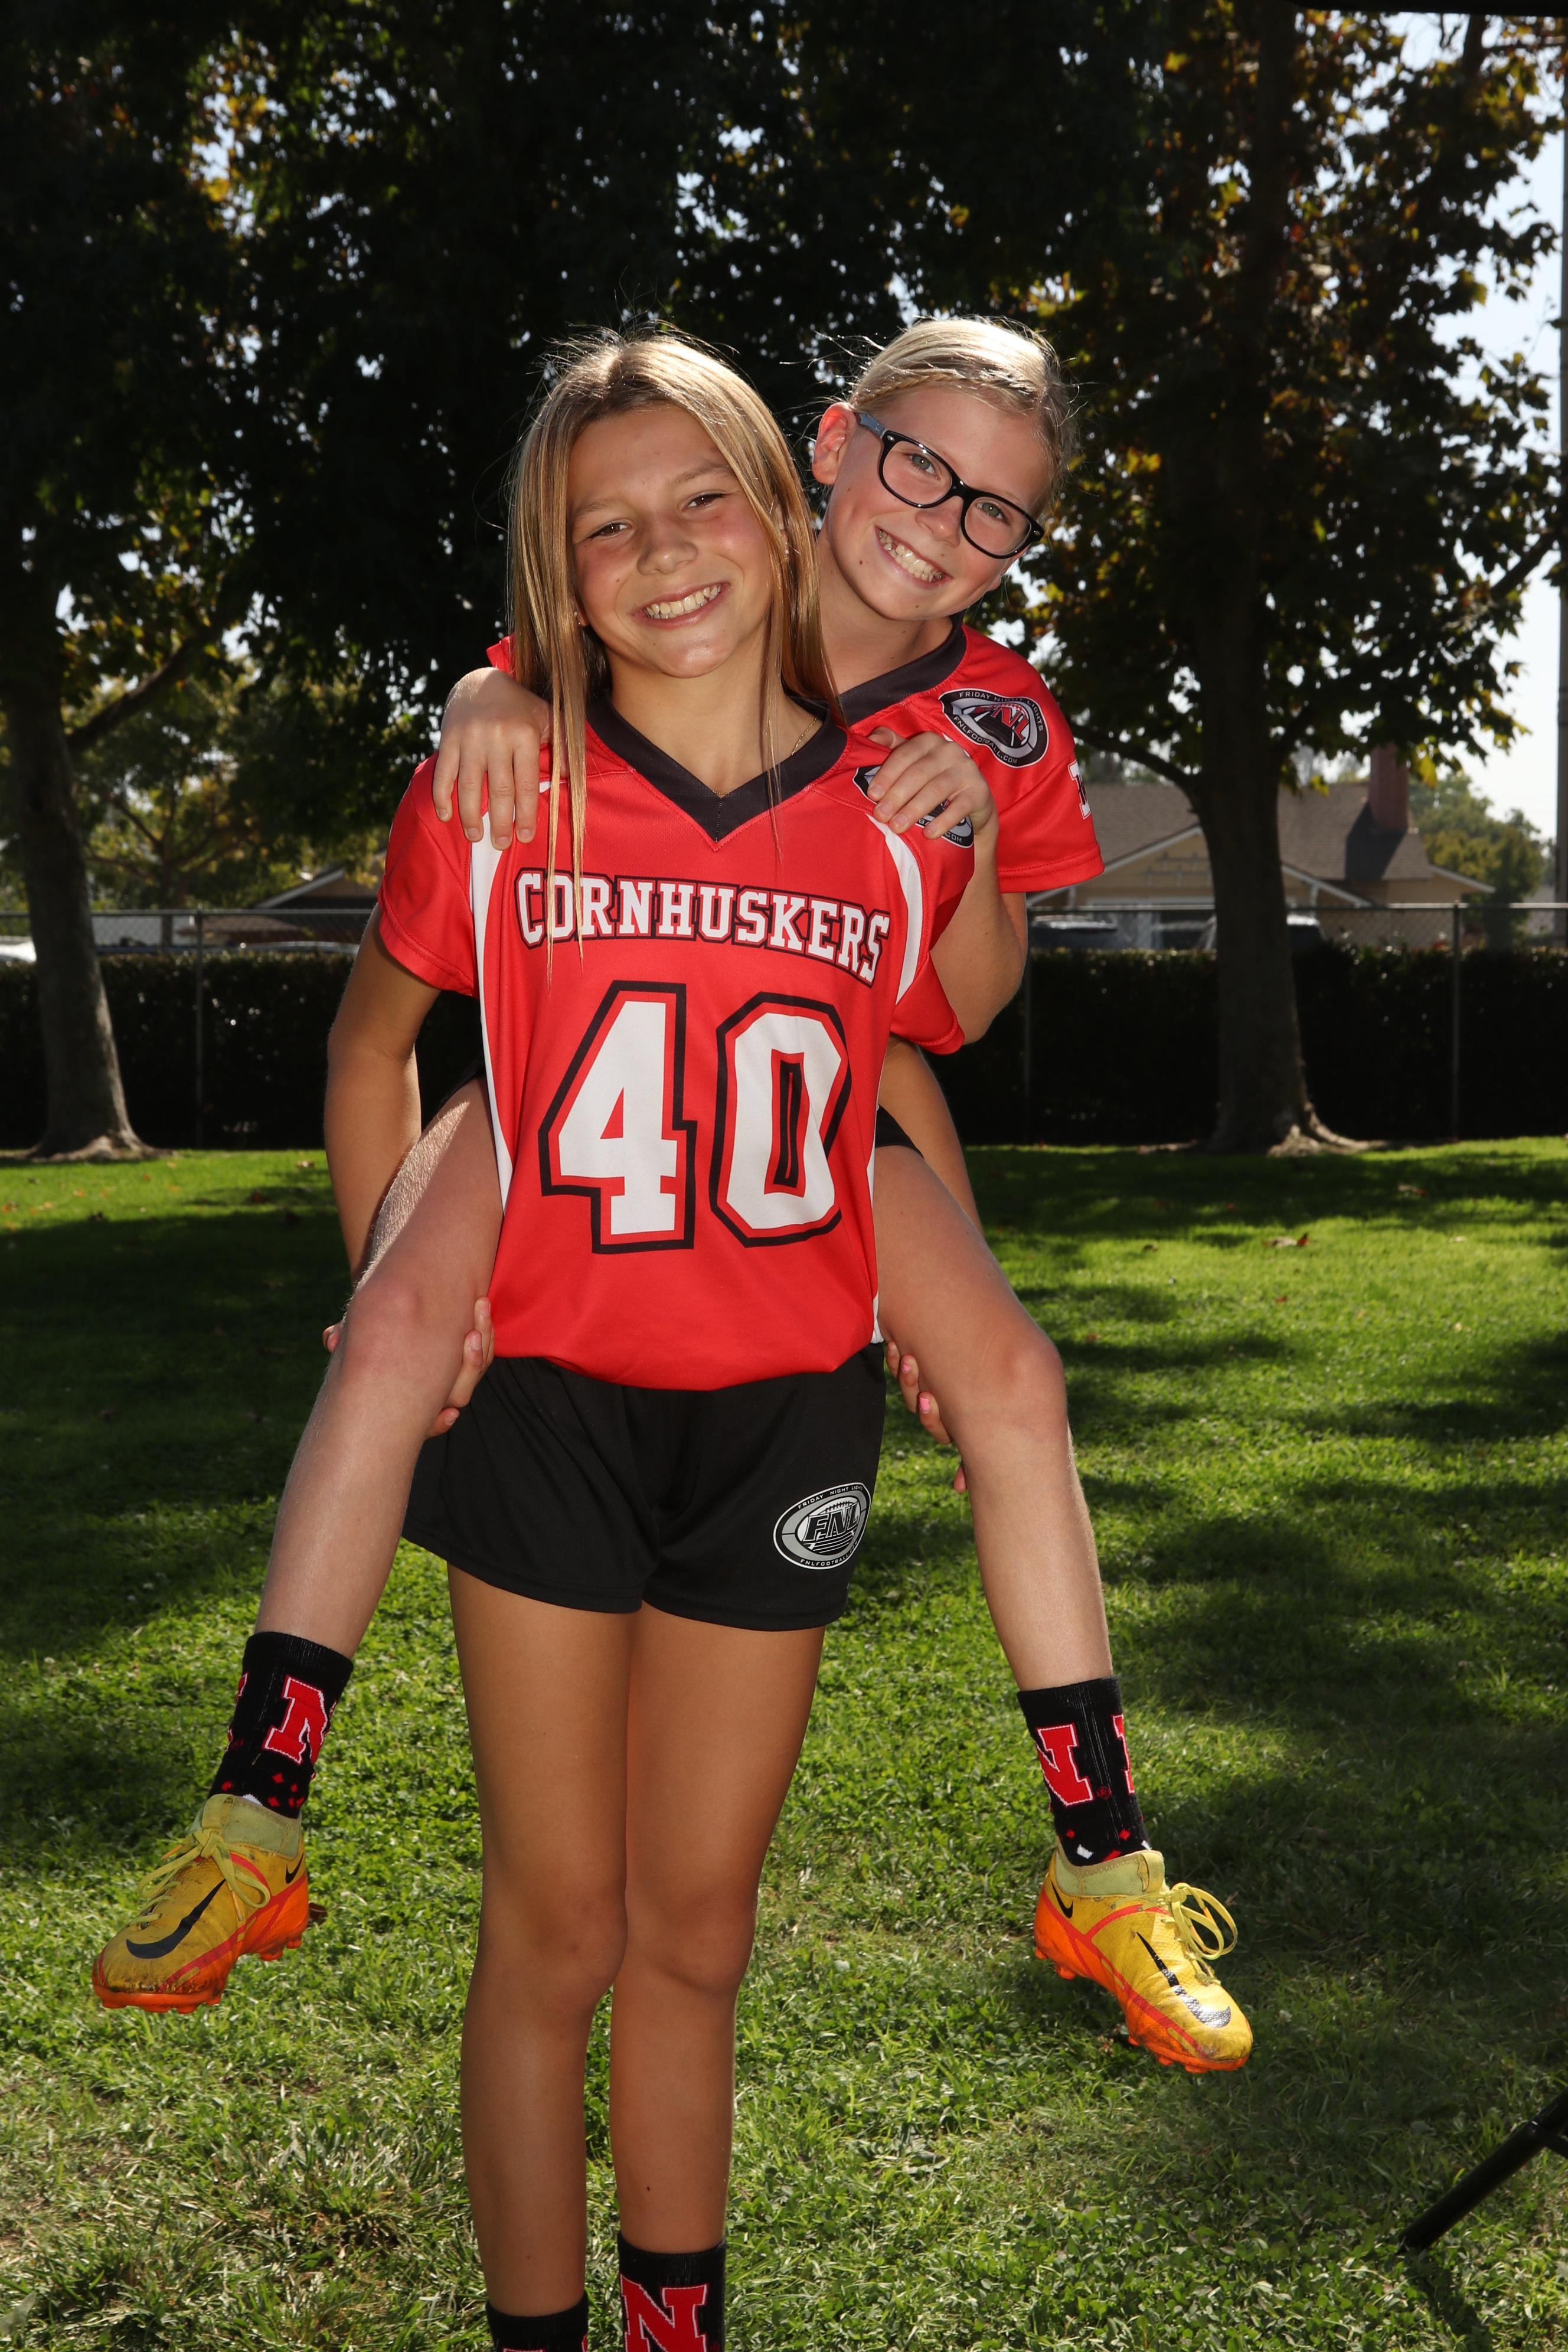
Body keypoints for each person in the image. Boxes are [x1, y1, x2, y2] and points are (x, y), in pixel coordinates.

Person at [93, 319, 1249, 2084]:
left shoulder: (998, 719)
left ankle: (1104, 1859)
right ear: (827, 450)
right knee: (393, 1327)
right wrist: (479, 696)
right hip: (593, 1068)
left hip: (812, 1107)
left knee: (1014, 1377)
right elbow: (539, 650)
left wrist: (968, 860)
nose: (941, 523)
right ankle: (256, 1810)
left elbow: (947, 1020)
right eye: (919, 465)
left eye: (999, 512)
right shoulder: (691, 575)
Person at [97, 327, 978, 2350]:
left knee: (700, 1934)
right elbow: (372, 1046)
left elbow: (897, 1070)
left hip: (781, 1418)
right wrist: (410, 1288)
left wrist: (951, 1291)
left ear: (783, 513)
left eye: (701, 501)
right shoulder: (505, 777)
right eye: (605, 529)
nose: (664, 552)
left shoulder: (885, 808)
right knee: (558, 1926)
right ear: (552, 577)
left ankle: (677, 2329)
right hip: (550, 1405)